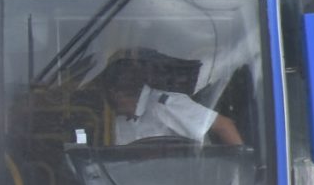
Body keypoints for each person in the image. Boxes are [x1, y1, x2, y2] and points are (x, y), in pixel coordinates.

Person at [98, 52, 242, 146]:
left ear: (116, 93)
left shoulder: (165, 104)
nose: (107, 101)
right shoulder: (118, 122)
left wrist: (243, 170)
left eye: (109, 93)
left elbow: (223, 126)